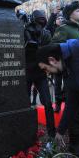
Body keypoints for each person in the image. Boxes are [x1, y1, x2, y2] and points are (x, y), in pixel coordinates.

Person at [51, 1, 79, 157]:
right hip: (74, 75)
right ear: (69, 13)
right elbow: (55, 49)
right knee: (76, 111)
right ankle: (75, 144)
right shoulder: (64, 29)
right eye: (77, 10)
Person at [24, 9, 55, 137]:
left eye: (43, 20)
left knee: (48, 103)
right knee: (25, 103)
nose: (40, 23)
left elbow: (49, 50)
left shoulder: (46, 33)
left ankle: (52, 133)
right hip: (27, 71)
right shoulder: (25, 30)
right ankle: (26, 130)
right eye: (39, 20)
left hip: (40, 72)